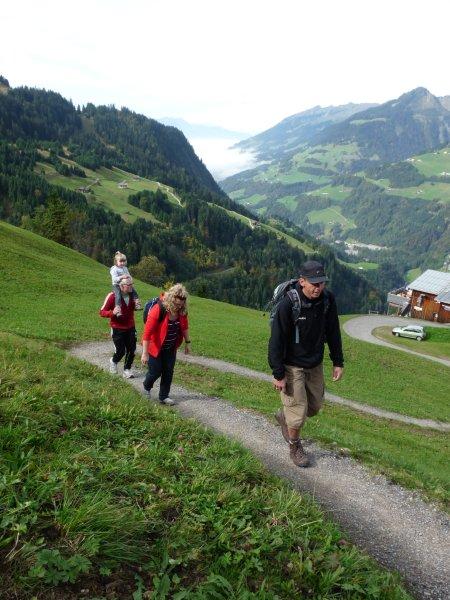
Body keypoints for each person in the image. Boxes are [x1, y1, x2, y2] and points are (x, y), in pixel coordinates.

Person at [268, 260, 344, 467]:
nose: (319, 288)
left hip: (315, 364)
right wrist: (278, 374)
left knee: (315, 407)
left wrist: (338, 361)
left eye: (322, 283)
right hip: (292, 365)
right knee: (298, 415)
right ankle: (294, 446)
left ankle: (284, 416)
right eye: (314, 283)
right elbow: (276, 340)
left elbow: (333, 331)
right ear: (302, 281)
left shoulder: (327, 299)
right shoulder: (288, 305)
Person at [141, 283, 191, 406]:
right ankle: (146, 387)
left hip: (170, 347)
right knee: (155, 371)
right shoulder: (159, 309)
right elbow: (147, 333)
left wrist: (187, 342)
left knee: (168, 372)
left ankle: (164, 396)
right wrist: (144, 353)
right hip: (155, 347)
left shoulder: (182, 311)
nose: (178, 307)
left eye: (181, 304)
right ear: (171, 299)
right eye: (176, 304)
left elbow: (184, 327)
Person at [99, 276, 138, 378]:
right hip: (117, 328)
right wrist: (112, 313)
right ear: (121, 286)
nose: (131, 286)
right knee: (121, 351)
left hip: (130, 327)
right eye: (129, 285)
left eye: (132, 284)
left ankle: (127, 370)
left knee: (132, 350)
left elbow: (131, 309)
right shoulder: (112, 296)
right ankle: (113, 361)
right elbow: (102, 312)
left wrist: (136, 305)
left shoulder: (133, 295)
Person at [110, 251, 141, 316]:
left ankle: (136, 304)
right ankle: (118, 310)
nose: (122, 263)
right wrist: (121, 277)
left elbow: (128, 275)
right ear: (116, 261)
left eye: (124, 261)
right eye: (120, 261)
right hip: (117, 285)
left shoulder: (125, 268)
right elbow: (114, 279)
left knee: (134, 292)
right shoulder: (114, 269)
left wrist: (130, 280)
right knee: (118, 295)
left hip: (126, 284)